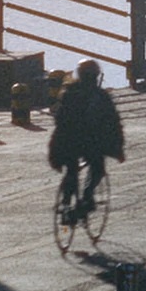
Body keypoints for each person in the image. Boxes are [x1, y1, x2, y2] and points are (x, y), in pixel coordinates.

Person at [48, 59, 125, 215]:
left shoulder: (69, 93)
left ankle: (65, 203)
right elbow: (113, 123)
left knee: (71, 169)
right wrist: (118, 148)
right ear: (96, 76)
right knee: (97, 167)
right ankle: (88, 195)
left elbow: (60, 119)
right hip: (91, 142)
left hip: (68, 141)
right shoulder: (101, 97)